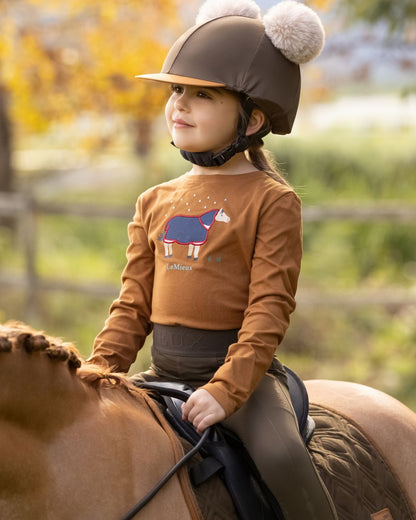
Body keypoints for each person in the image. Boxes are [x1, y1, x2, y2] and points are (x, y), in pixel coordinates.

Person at [88, 1, 338, 518]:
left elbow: (270, 308)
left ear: (253, 119)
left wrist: (227, 391)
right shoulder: (154, 200)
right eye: (176, 90)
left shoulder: (273, 201)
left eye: (201, 95)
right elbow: (132, 305)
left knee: (282, 456)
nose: (178, 104)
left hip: (241, 381)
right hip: (160, 372)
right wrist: (100, 371)